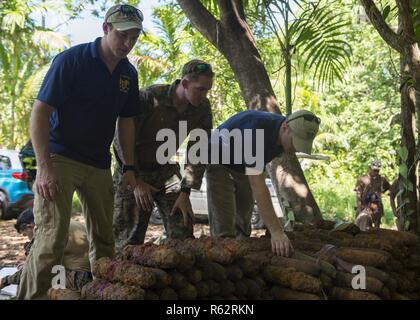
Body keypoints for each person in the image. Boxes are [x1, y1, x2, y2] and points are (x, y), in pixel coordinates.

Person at [17, 4, 144, 299]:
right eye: (122, 35)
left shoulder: (128, 74)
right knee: (50, 240)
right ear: (106, 29)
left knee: (104, 240)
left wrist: (129, 167)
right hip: (60, 158)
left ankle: (101, 294)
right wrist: (44, 166)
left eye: (134, 37)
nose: (127, 43)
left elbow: (126, 123)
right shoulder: (71, 61)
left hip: (98, 163)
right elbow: (39, 113)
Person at [113, 60, 214, 253]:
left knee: (184, 231)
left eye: (207, 90)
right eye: (200, 89)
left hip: (165, 171)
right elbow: (121, 139)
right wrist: (135, 182)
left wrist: (185, 192)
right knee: (128, 242)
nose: (204, 95)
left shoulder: (201, 108)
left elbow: (198, 149)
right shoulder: (150, 97)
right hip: (133, 170)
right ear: (184, 83)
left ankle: (177, 277)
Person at [205, 109, 320, 257]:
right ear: (285, 127)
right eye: (295, 141)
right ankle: (220, 259)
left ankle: (241, 259)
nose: (296, 148)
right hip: (218, 161)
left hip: (242, 166)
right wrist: (277, 232)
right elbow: (257, 184)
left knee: (243, 223)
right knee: (224, 228)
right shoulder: (257, 130)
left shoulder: (281, 137)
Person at [0, 209, 91, 292]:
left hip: (80, 279)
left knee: (34, 279)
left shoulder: (46, 231)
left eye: (25, 234)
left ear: (30, 227)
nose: (27, 238)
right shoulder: (62, 222)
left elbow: (34, 269)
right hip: (89, 273)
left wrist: (5, 281)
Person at [354, 160, 390, 228]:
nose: (376, 172)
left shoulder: (382, 180)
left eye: (377, 171)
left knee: (376, 228)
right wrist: (360, 206)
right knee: (360, 223)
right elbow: (358, 193)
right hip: (364, 205)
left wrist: (383, 194)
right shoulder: (362, 179)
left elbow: (389, 189)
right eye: (374, 170)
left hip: (376, 206)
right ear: (369, 168)